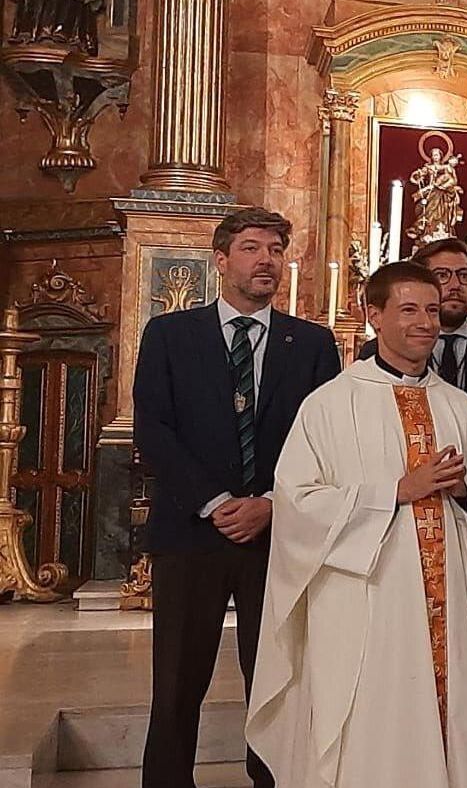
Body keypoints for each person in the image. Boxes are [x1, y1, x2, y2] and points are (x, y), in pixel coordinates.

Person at [246, 262, 467, 787]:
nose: (426, 323)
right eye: (409, 310)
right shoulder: (329, 405)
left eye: (433, 311)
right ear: (373, 315)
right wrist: (394, 493)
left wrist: (466, 492)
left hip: (450, 603)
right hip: (366, 602)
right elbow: (296, 503)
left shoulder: (462, 408)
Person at [134, 207, 340, 788]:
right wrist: (216, 501)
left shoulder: (313, 343)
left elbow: (324, 439)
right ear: (221, 260)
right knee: (176, 682)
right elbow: (155, 429)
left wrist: (273, 502)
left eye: (275, 249)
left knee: (275, 678)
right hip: (191, 533)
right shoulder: (171, 334)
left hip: (279, 535)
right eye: (251, 248)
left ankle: (273, 779)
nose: (266, 260)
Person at [357, 238, 467, 598]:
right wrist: (399, 489)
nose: (454, 284)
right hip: (385, 549)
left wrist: (466, 490)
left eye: (464, 275)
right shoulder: (358, 380)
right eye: (442, 275)